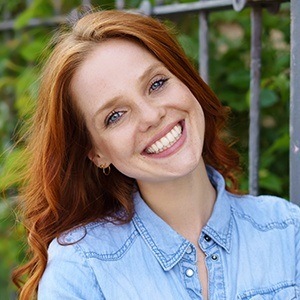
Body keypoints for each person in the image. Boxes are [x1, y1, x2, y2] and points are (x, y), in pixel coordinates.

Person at [13, 8, 299, 300]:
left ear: (187, 80)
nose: (151, 115)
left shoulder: (287, 231)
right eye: (116, 115)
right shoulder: (82, 268)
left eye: (157, 84)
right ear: (96, 153)